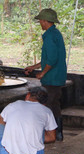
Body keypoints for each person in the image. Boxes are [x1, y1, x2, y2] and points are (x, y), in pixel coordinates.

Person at [0, 87, 57, 154]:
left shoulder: (13, 105)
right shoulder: (47, 111)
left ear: (28, 95)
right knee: (39, 131)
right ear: (44, 103)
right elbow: (52, 138)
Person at [24, 8, 67, 141]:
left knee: (45, 106)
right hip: (58, 76)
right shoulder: (55, 33)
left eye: (40, 21)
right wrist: (34, 67)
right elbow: (49, 59)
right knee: (54, 105)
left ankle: (49, 135)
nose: (40, 23)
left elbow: (52, 60)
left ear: (44, 21)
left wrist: (42, 73)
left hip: (51, 78)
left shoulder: (49, 36)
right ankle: (58, 133)